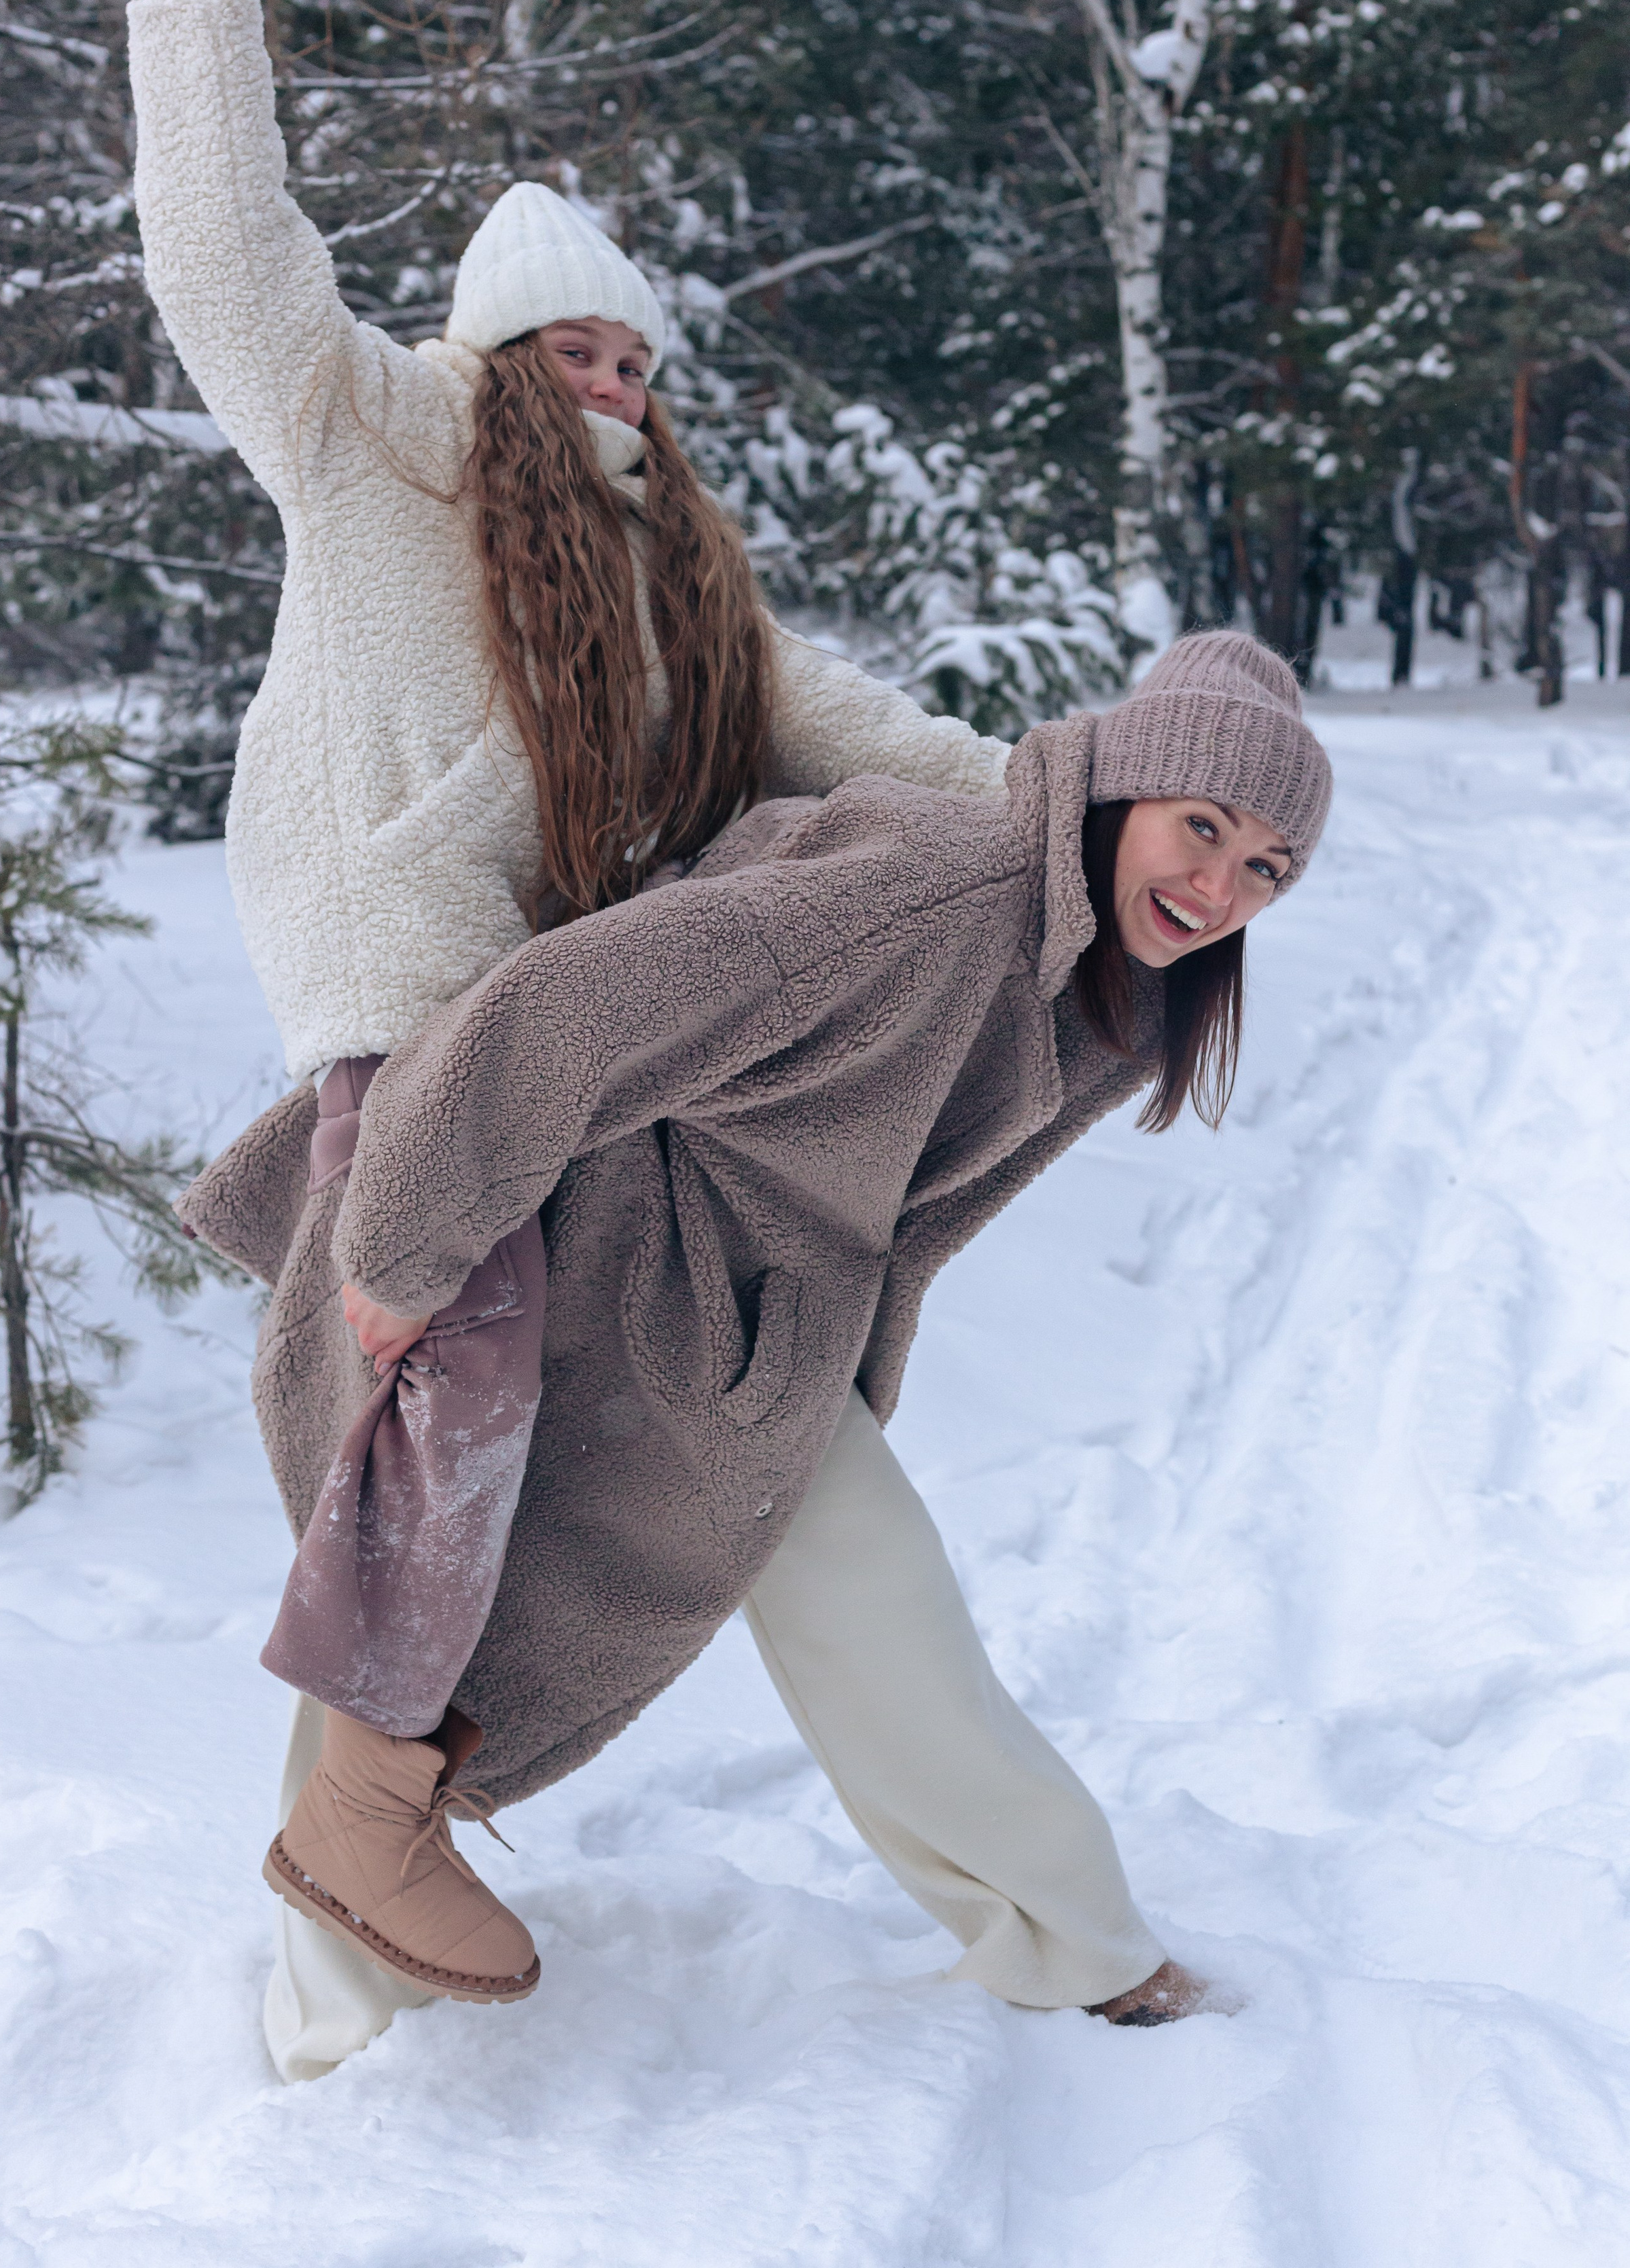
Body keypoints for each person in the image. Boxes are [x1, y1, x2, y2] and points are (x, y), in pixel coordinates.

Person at [129, 0, 1025, 2056]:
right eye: (578, 354)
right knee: (460, 1351)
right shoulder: (372, 441)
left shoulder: (671, 569)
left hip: (557, 1030)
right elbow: (229, 276)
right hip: (398, 980)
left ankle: (366, 1878)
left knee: (546, 1400)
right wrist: (197, 51)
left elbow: (847, 722)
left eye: (636, 362)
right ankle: (363, 1817)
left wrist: (1062, 802)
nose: (613, 390)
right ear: (501, 350)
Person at [178, 631, 1333, 2076]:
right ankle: (340, 2029)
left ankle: (1067, 1935)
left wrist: (840, 1375)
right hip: (583, 1239)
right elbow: (567, 1007)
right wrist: (405, 1244)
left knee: (857, 1598)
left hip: (739, 1328)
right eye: (1201, 828)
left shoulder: (1104, 994)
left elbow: (913, 1217)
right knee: (422, 1554)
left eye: (1265, 870)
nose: (1216, 888)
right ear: (1118, 791)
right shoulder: (939, 893)